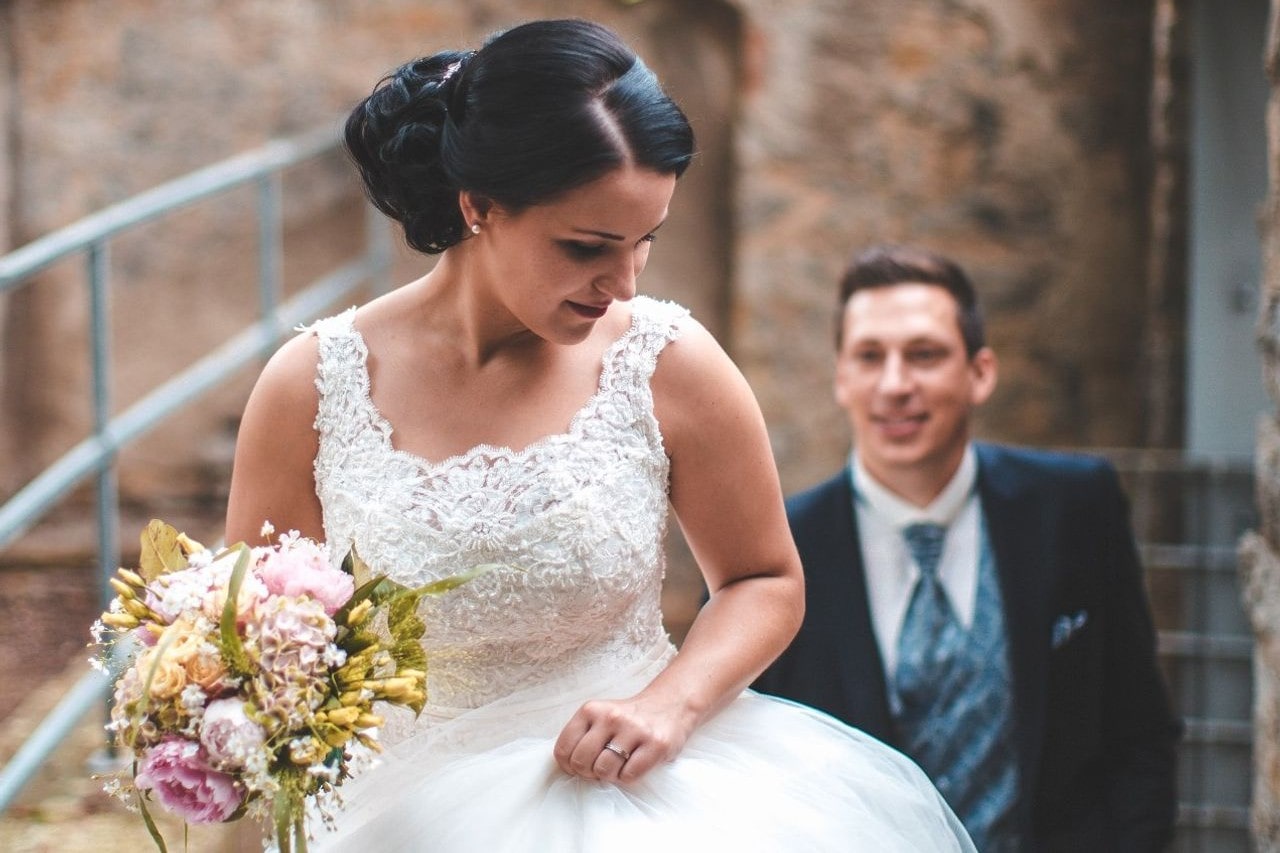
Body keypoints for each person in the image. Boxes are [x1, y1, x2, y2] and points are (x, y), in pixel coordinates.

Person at [224, 20, 973, 852]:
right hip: (392, 815)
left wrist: (671, 702)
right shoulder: (312, 386)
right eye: (586, 246)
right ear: (479, 206)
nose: (622, 282)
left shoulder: (667, 361)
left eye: (645, 239)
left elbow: (765, 578)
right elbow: (256, 661)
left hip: (639, 804)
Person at [754, 244, 1181, 851]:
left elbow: (1139, 731)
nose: (896, 385)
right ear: (841, 379)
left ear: (980, 373)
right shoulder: (782, 544)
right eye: (870, 357)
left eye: (924, 355)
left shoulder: (1076, 508)